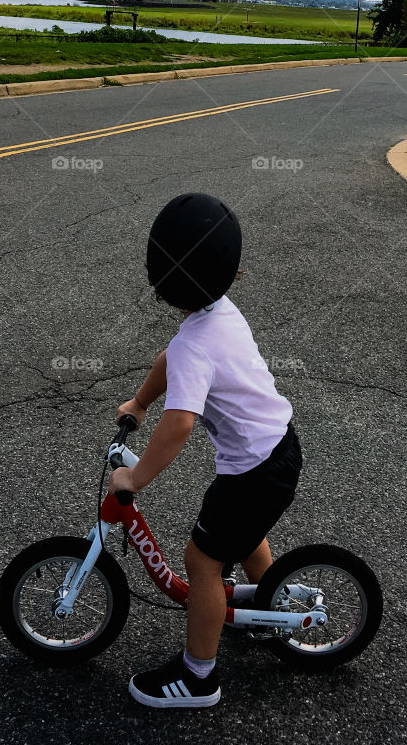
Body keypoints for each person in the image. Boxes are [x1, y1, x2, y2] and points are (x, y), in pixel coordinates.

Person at [109, 192, 303, 709]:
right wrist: (140, 400)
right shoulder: (215, 314)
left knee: (202, 562)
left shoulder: (197, 342)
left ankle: (199, 678)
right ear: (229, 271)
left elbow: (180, 424)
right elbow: (170, 359)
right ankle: (268, 605)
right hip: (275, 450)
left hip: (257, 469)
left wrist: (137, 478)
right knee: (239, 534)